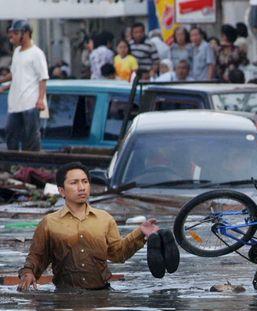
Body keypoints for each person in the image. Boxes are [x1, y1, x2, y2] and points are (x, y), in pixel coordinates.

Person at [17, 163, 159, 291]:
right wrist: (28, 273)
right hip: (65, 297)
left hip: (102, 296)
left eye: (85, 182)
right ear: (61, 191)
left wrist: (140, 232)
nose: (81, 187)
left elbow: (118, 254)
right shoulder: (49, 223)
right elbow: (36, 257)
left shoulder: (105, 219)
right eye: (74, 183)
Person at [0, 20, 48, 152]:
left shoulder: (36, 53)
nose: (12, 37)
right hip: (15, 103)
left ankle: (31, 167)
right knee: (11, 134)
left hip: (30, 103)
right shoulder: (17, 52)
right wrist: (3, 85)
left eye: (16, 33)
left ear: (26, 33)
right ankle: (13, 166)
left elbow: (42, 78)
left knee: (30, 138)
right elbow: (16, 75)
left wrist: (40, 99)